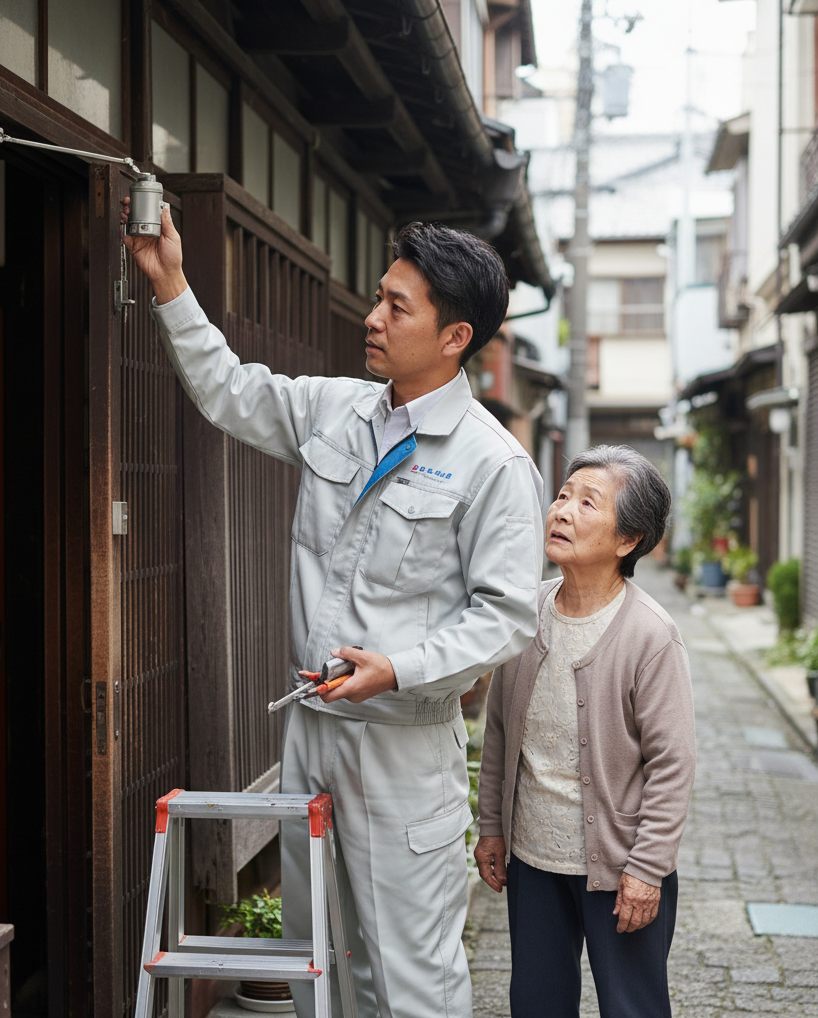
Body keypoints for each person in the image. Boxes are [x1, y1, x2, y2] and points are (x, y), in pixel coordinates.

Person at [125, 201, 544, 1018]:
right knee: (318, 964)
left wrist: (398, 669)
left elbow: (505, 617)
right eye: (380, 296)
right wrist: (170, 281)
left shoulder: (493, 464)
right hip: (311, 731)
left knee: (410, 982)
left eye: (398, 306)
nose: (373, 316)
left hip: (400, 746)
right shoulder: (336, 409)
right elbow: (229, 390)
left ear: (455, 336)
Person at [475, 444, 696, 1018]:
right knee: (536, 1003)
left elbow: (672, 765)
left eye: (588, 503)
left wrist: (647, 869)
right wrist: (491, 827)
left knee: (632, 1007)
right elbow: (498, 731)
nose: (562, 511)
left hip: (621, 867)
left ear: (628, 540)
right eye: (562, 495)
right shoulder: (525, 614)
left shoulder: (650, 635)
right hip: (533, 860)